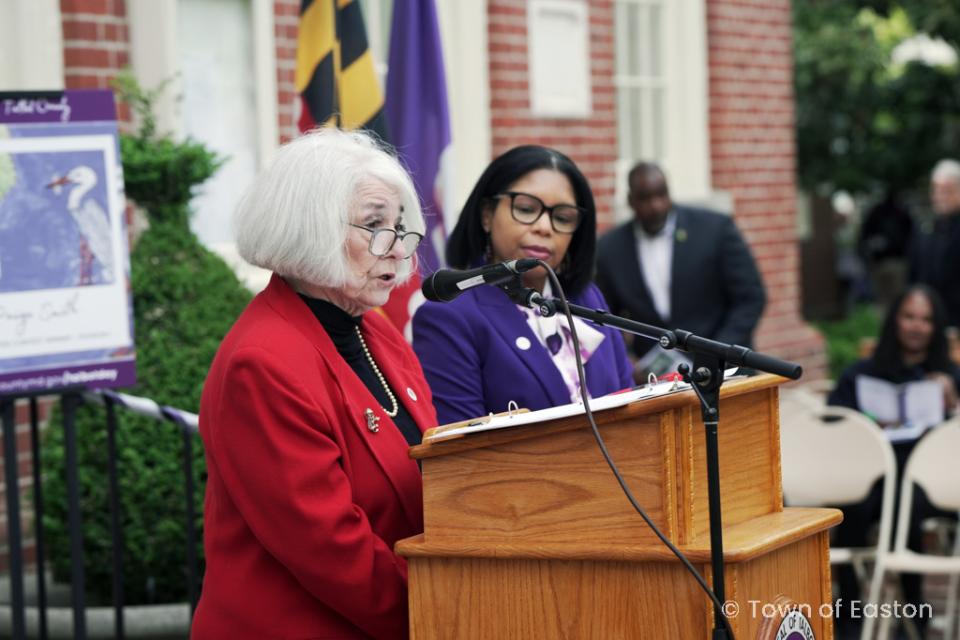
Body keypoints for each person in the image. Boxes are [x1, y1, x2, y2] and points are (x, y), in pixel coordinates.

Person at [192, 128, 437, 639]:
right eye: (375, 225)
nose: (396, 249)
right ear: (310, 228)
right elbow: (330, 549)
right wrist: (443, 612)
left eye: (400, 226)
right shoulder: (262, 364)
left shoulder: (375, 329)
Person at [412, 145, 633, 425]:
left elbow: (629, 410)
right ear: (487, 215)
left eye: (563, 218)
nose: (545, 226)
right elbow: (462, 457)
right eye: (527, 209)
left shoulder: (588, 299)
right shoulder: (449, 317)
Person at [827, 284, 960, 638]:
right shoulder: (862, 373)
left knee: (908, 504)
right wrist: (867, 423)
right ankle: (849, 614)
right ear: (895, 321)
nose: (916, 326)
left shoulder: (950, 375)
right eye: (909, 316)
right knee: (850, 504)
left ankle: (914, 614)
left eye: (926, 320)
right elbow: (835, 421)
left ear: (936, 328)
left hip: (930, 484)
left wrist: (951, 404)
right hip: (875, 476)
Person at [595, 162, 765, 373]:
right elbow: (605, 315)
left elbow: (750, 299)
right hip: (657, 383)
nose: (656, 205)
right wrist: (625, 358)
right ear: (630, 201)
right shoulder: (610, 248)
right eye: (645, 198)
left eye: (661, 194)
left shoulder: (715, 229)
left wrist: (717, 354)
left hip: (726, 372)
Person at [910, 159, 960, 329]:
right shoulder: (926, 228)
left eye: (946, 190)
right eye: (936, 189)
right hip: (929, 321)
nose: (939, 196)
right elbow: (914, 274)